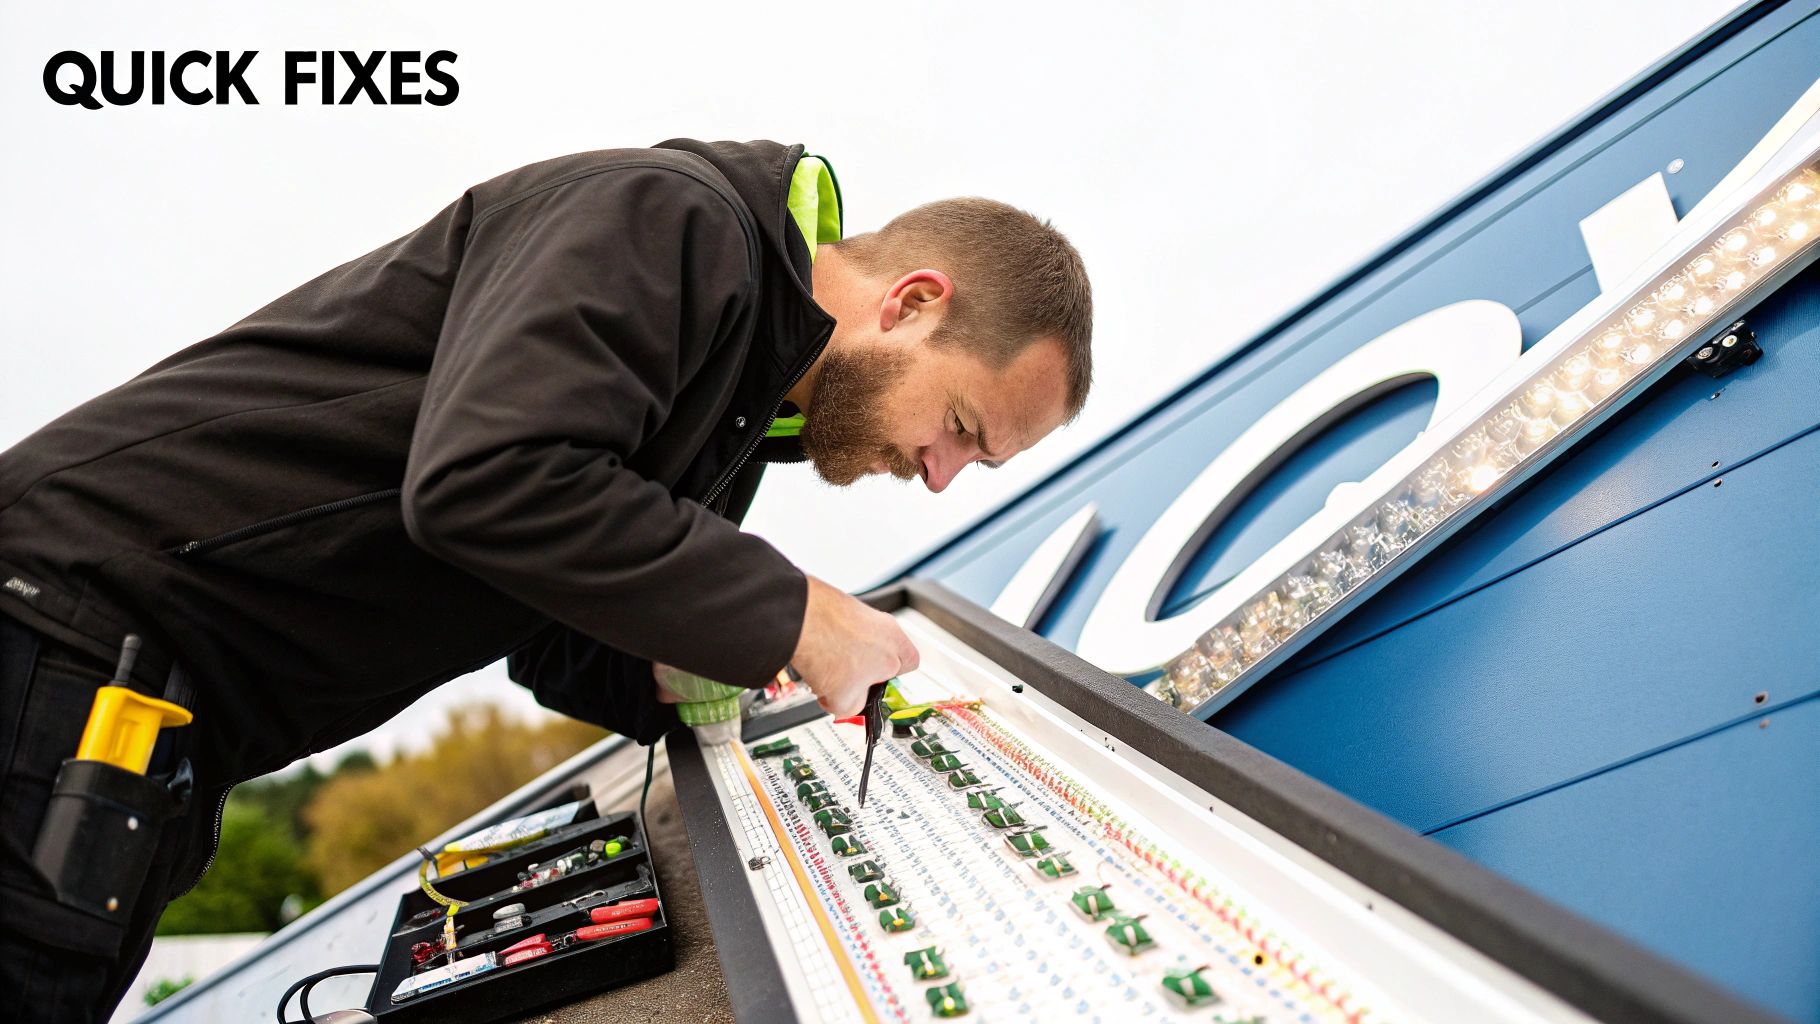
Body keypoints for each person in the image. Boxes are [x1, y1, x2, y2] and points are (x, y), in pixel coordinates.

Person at [0, 138, 1092, 1020]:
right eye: (958, 427)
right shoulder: (675, 221)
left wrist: (699, 681)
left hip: (156, 712)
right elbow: (483, 480)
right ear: (909, 303)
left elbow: (551, 627)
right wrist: (794, 611)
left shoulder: (738, 408)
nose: (940, 476)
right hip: (64, 628)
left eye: (971, 462)